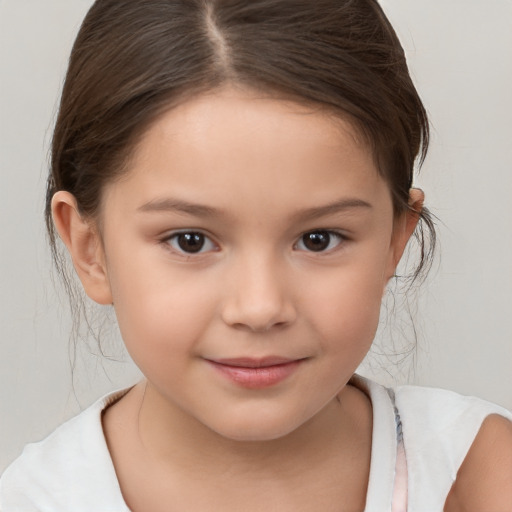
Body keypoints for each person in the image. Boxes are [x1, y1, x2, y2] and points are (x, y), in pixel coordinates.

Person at [1, 0, 511, 510]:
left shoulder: (475, 477)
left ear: (394, 241)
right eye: (190, 241)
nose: (260, 307)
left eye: (319, 239)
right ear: (92, 251)